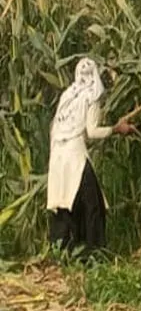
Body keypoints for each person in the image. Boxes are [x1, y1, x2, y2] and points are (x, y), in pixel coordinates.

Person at [47, 58, 135, 255]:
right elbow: (92, 131)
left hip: (57, 156)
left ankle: (60, 249)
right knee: (92, 204)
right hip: (75, 155)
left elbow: (56, 126)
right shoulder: (92, 96)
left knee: (65, 201)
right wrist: (116, 129)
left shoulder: (68, 95)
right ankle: (94, 252)